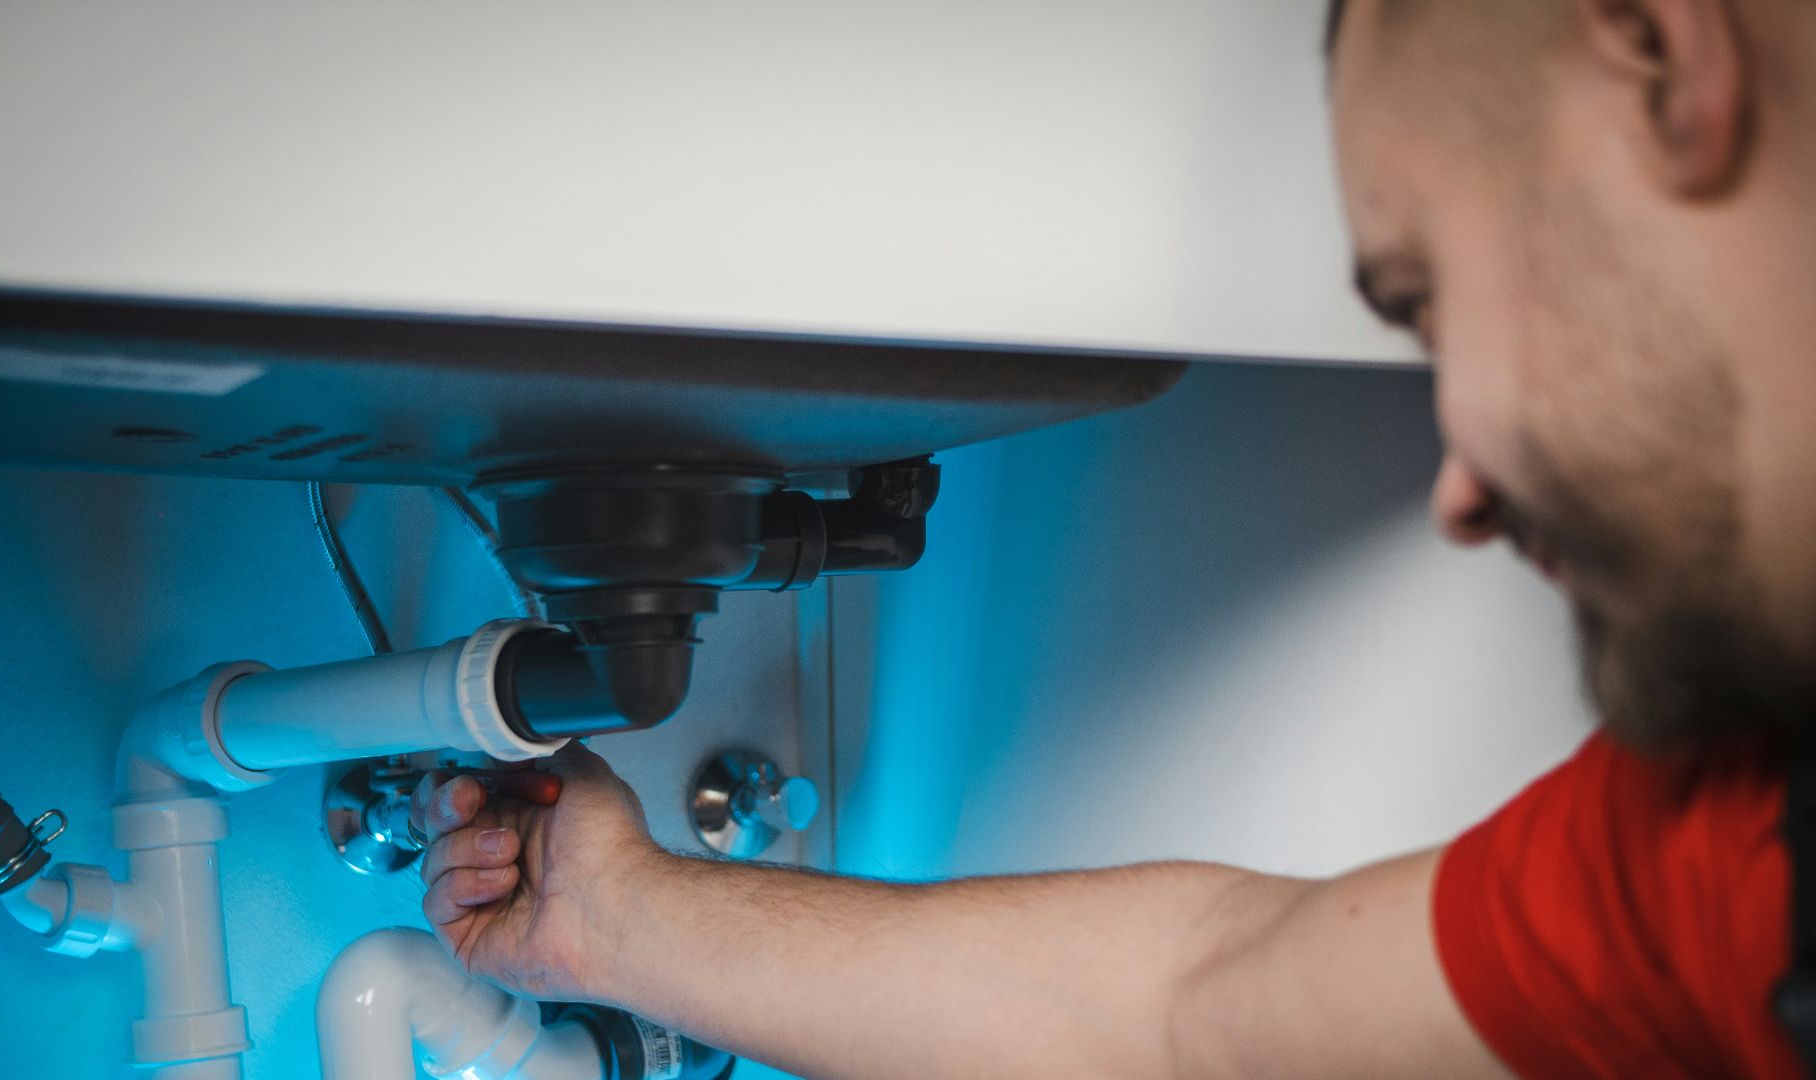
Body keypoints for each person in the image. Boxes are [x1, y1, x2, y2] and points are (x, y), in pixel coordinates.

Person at [410, 1, 1816, 1075]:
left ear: (1651, 53)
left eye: (1437, 298)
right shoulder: (1735, 846)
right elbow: (1196, 1004)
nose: (1462, 491)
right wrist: (623, 918)